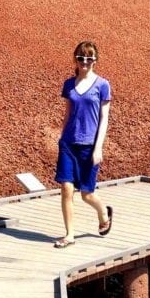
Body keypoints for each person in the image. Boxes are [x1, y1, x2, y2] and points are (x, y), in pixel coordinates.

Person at [53, 41, 112, 248]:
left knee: (87, 194)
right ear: (75, 60)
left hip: (89, 146)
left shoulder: (103, 85)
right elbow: (67, 114)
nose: (84, 62)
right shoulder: (69, 84)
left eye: (89, 58)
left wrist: (98, 148)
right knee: (66, 188)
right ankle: (69, 235)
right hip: (69, 143)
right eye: (80, 58)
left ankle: (103, 212)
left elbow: (104, 119)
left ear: (95, 60)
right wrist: (61, 138)